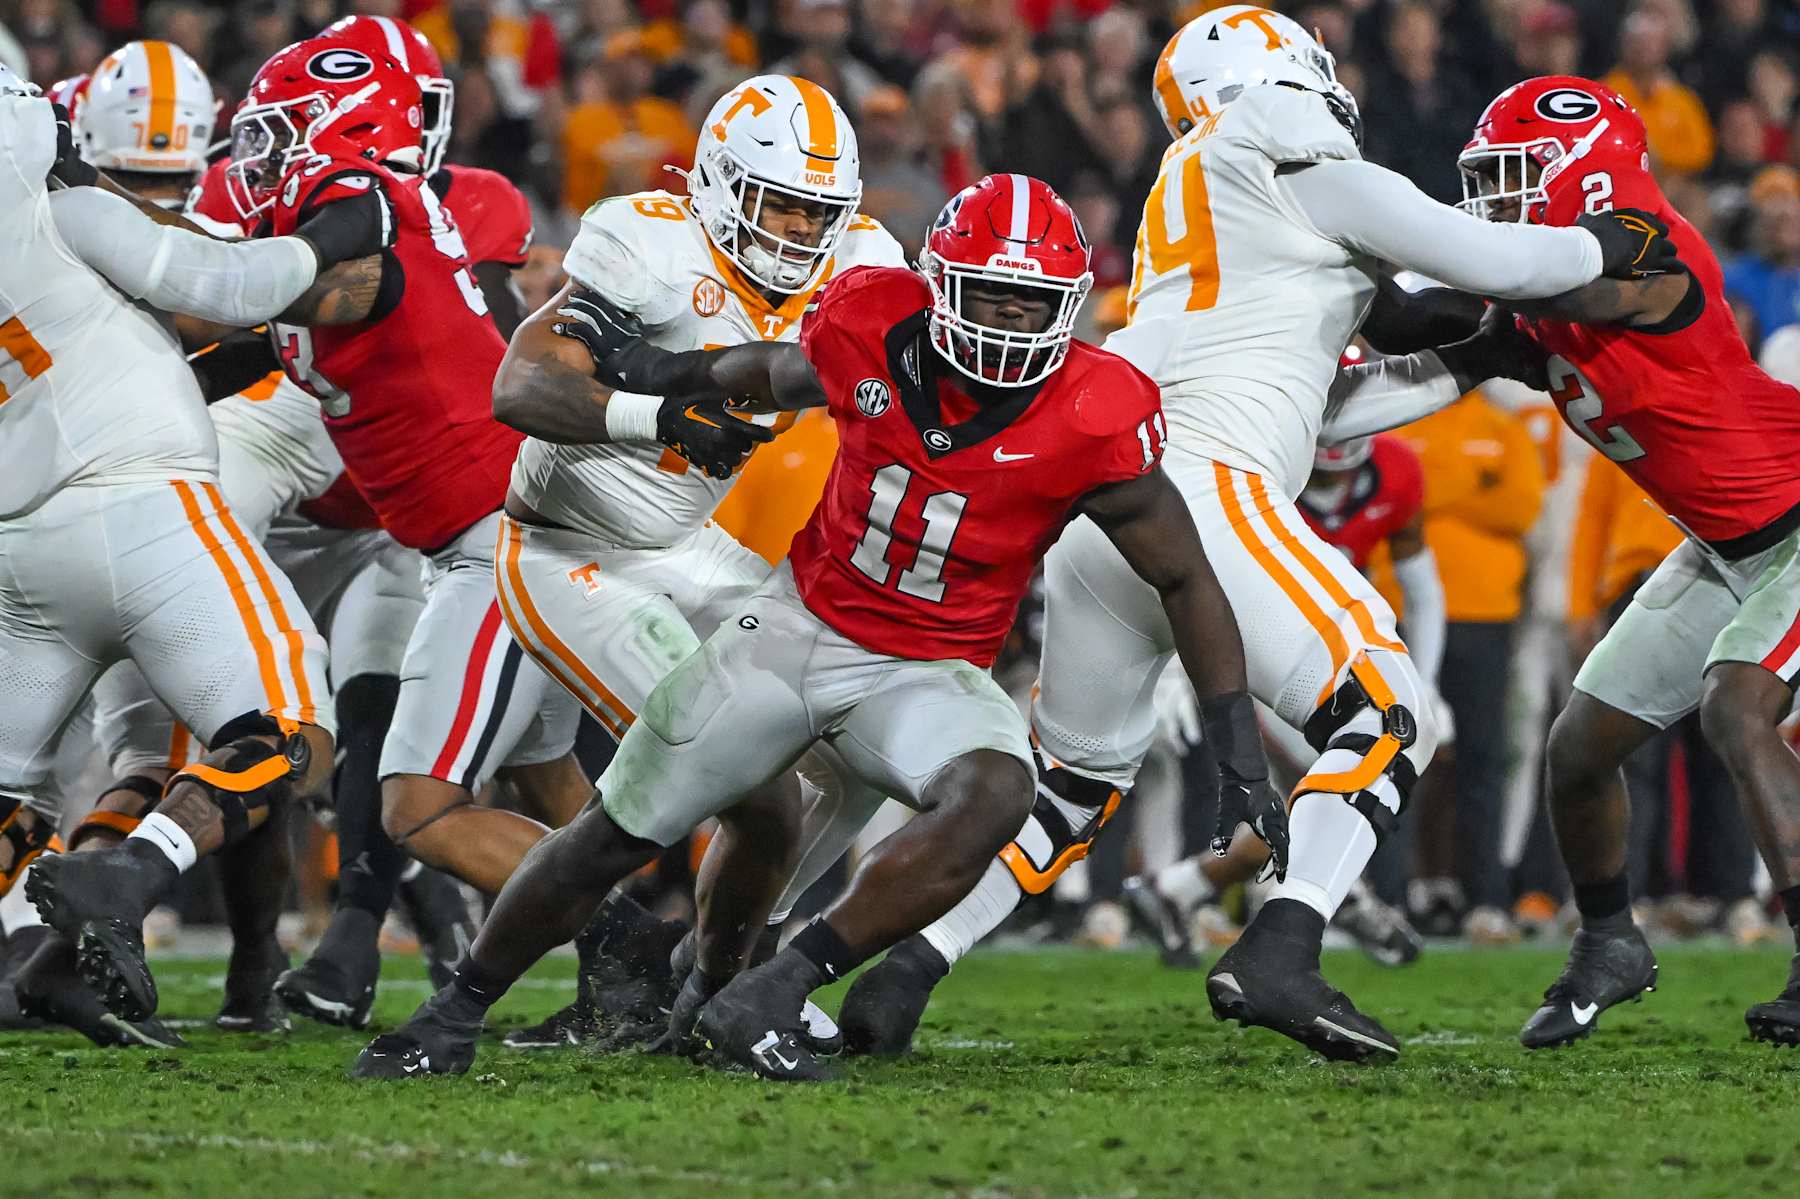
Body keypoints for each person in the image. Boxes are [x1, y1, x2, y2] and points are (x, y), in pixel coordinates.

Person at [862, 5, 1676, 1066]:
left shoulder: (1206, 198)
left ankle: (900, 969)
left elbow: (1327, 399)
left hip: (1110, 507)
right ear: (1283, 76)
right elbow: (1493, 260)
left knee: (1072, 786)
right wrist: (1612, 247)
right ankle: (1283, 943)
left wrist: (1475, 359)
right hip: (1204, 487)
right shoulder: (1286, 148)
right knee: (1390, 708)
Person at [353, 172, 1282, 1084]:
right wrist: (648, 375)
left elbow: (1185, 577)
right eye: (988, 298)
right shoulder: (871, 323)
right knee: (618, 828)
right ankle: (456, 1007)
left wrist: (1240, 746)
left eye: (1030, 306)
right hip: (794, 630)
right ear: (939, 284)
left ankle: (772, 985)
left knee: (997, 788)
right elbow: (761, 368)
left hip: (929, 670)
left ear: (1068, 307)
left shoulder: (1098, 411)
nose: (1005, 325)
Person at [1329, 75, 1800, 1049]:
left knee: (1736, 705)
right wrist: (1343, 244)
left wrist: (1428, 253)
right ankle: (1610, 944)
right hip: (1722, 548)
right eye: (1486, 184)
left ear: (1587, 177)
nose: (1495, 206)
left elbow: (1572, 286)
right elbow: (1413, 331)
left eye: (1515, 181)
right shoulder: (1538, 304)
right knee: (1579, 750)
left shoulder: (1648, 248)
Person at [474, 73, 907, 1052]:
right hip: (573, 546)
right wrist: (658, 414)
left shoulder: (867, 264)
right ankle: (492, 998)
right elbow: (520, 384)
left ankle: (723, 958)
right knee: (748, 772)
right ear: (715, 183)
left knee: (858, 731)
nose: (800, 231)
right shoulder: (649, 239)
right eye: (780, 202)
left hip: (696, 547)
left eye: (818, 210)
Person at [0, 62, 373, 1027]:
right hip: (143, 504)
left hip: (21, 548)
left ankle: (49, 960)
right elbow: (220, 280)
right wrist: (333, 235)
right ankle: (124, 878)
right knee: (290, 721)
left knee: (11, 789)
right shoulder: (56, 211)